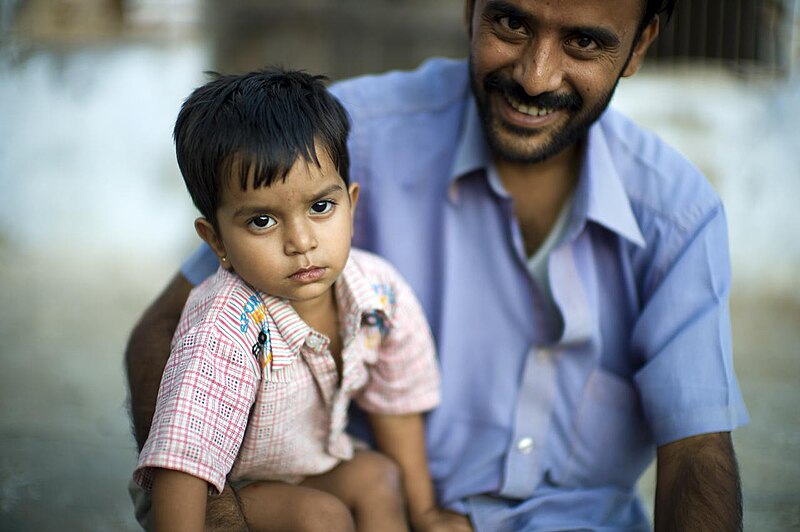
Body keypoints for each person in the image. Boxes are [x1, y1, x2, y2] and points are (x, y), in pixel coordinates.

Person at [126, 1, 749, 530]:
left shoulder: (678, 215)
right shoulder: (341, 137)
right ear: (469, 9)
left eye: (585, 42)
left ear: (640, 46)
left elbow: (697, 451)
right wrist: (224, 516)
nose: (535, 76)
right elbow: (167, 331)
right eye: (510, 23)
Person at [131, 68, 457, 531]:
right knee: (321, 517)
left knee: (377, 476)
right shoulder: (226, 322)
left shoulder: (379, 294)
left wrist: (426, 514)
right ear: (216, 240)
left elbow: (397, 407)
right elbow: (182, 462)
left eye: (321, 207)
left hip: (305, 470)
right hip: (212, 491)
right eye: (262, 221)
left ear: (352, 203)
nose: (301, 241)